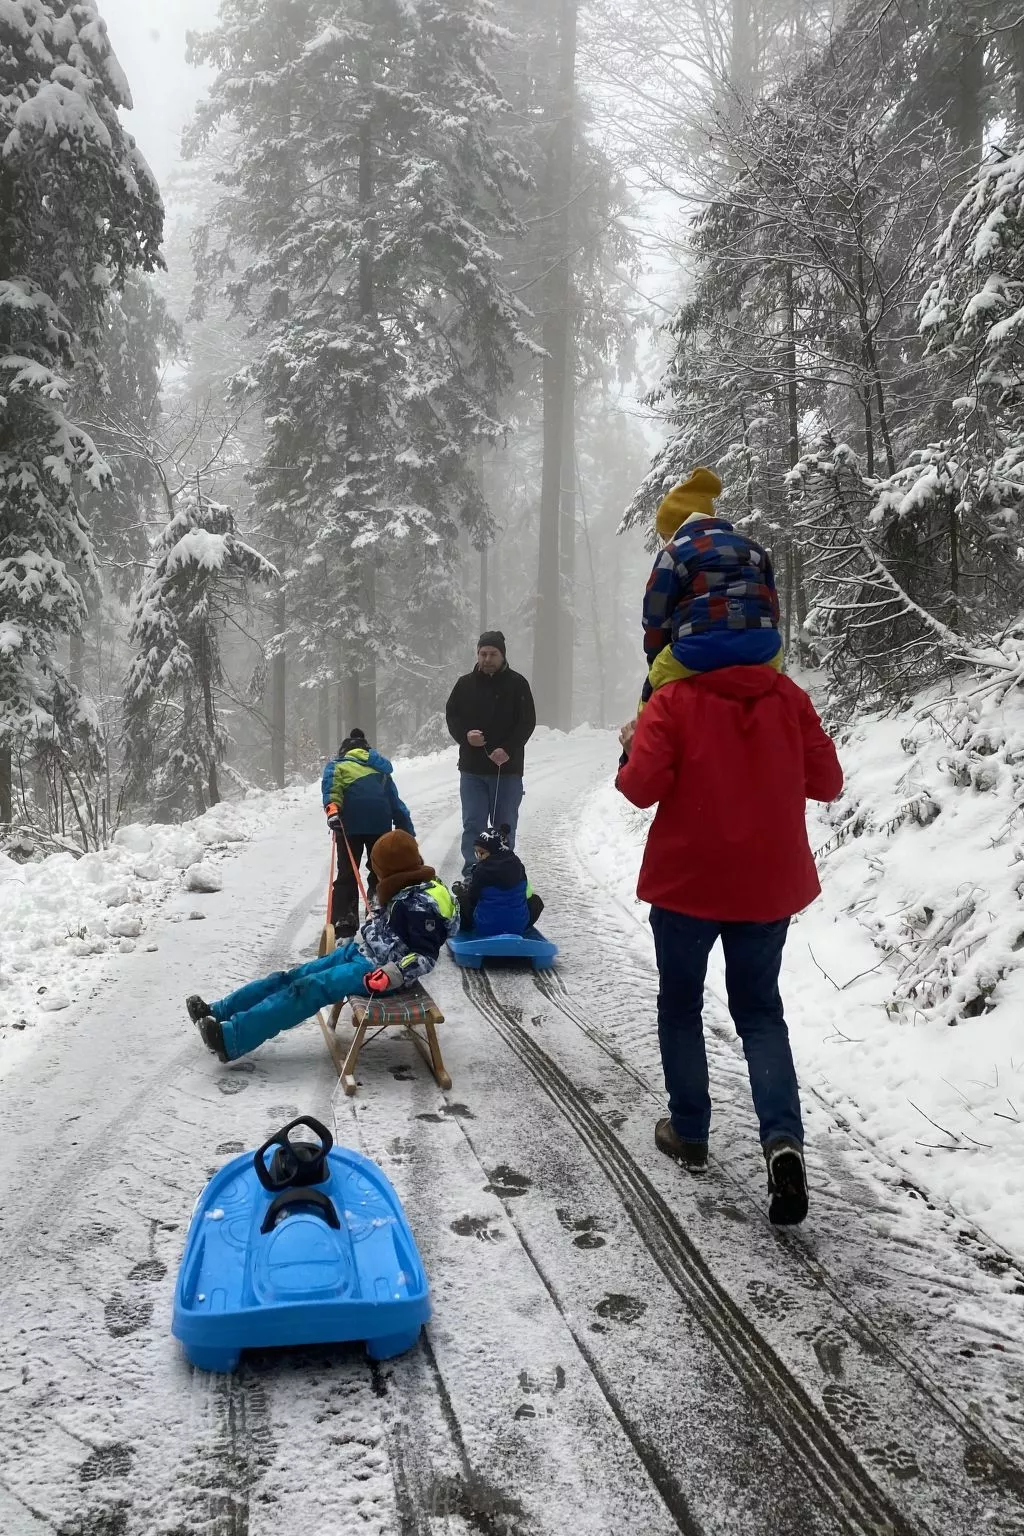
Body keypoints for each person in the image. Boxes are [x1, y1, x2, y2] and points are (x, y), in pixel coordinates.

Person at [616, 665, 843, 1227]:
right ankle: (783, 1142)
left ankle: (690, 1133)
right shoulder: (787, 696)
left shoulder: (674, 699)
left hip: (687, 883)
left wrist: (631, 745)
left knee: (681, 1006)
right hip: (767, 885)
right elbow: (829, 782)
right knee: (761, 1013)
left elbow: (640, 788)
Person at [187, 831, 458, 1063]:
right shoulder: (405, 889)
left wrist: (390, 974)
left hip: (378, 975)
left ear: (390, 869)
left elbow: (424, 956)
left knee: (307, 990)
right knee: (292, 977)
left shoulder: (421, 905)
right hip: (362, 955)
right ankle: (218, 1011)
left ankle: (230, 1038)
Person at [639, 466, 782, 713]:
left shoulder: (673, 554)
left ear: (675, 528)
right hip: (764, 648)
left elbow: (655, 620)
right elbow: (773, 609)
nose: (665, 542)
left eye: (664, 535)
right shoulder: (754, 549)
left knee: (651, 695)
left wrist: (657, 662)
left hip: (699, 652)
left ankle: (634, 749)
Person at [445, 631, 536, 877]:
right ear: (477, 655)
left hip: (507, 771)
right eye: (483, 653)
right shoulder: (464, 684)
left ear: (502, 655)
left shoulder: (518, 684)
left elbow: (527, 722)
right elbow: (452, 717)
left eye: (492, 654)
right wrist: (465, 735)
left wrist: (507, 749)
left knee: (503, 827)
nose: (487, 658)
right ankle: (472, 873)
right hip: (472, 771)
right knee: (473, 824)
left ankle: (501, 872)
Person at [321, 727, 415, 937]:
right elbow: (395, 803)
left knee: (347, 871)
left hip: (349, 826)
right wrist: (406, 831)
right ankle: (378, 906)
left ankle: (345, 919)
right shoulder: (380, 769)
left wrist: (332, 812)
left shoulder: (337, 766)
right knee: (380, 869)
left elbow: (331, 790)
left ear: (344, 750)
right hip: (380, 823)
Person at [452, 825, 544, 937]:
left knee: (460, 903)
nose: (478, 857)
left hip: (485, 926)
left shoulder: (481, 870)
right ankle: (513, 924)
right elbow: (524, 895)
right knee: (536, 901)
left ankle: (465, 928)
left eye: (481, 853)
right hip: (517, 926)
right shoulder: (519, 866)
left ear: (495, 851)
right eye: (477, 853)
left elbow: (472, 899)